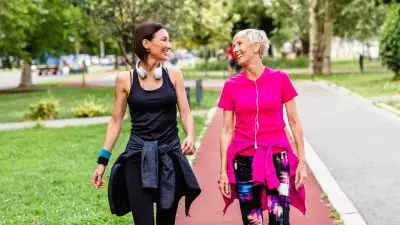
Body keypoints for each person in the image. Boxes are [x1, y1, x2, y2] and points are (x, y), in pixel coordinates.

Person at [91, 22, 201, 225]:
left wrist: (191, 136)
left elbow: (185, 113)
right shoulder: (125, 79)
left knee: (166, 221)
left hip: (169, 155)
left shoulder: (174, 75)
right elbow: (116, 121)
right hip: (137, 156)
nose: (169, 45)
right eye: (164, 40)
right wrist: (102, 161)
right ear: (146, 44)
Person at [217, 29, 307, 225]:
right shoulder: (231, 85)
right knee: (252, 220)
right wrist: (223, 170)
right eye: (234, 45)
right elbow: (226, 130)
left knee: (280, 219)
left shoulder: (280, 79)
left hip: (278, 160)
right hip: (244, 161)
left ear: (256, 46)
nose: (235, 49)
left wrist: (301, 161)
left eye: (239, 44)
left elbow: (294, 121)